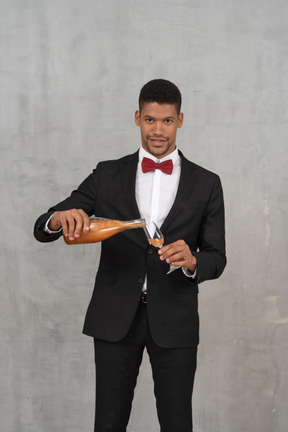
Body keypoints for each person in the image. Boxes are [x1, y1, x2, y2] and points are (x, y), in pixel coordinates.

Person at [34, 79, 226, 431]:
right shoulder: (108, 173)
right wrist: (56, 220)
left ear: (180, 120)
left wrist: (194, 261)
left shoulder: (207, 182)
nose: (158, 130)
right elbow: (45, 225)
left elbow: (217, 257)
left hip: (175, 319)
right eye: (150, 120)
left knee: (177, 422)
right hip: (113, 317)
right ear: (137, 117)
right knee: (108, 422)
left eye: (167, 121)